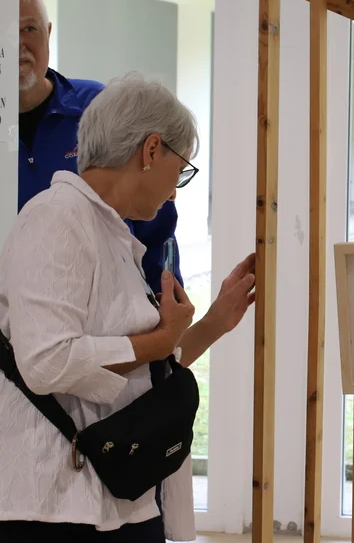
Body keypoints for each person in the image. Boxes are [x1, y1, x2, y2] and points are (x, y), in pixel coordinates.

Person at [0, 73, 256, 541]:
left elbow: (142, 369)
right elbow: (46, 361)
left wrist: (215, 321)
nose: (175, 190)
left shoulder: (111, 234)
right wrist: (159, 340)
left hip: (115, 491)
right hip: (57, 506)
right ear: (151, 150)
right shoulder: (56, 218)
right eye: (180, 170)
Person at [17, 0, 181, 295]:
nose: (19, 44)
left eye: (30, 28)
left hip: (113, 307)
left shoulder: (96, 106)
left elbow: (156, 218)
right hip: (21, 309)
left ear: (48, 33)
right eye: (9, 31)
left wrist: (166, 293)